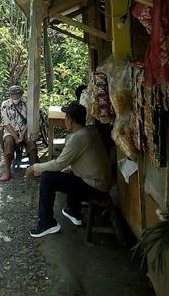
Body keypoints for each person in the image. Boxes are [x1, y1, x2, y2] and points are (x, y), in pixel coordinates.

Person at [26, 101, 112, 238]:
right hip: (99, 182)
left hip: (96, 187)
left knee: (48, 178)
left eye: (66, 117)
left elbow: (58, 164)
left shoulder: (79, 138)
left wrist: (34, 167)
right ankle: (74, 212)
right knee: (67, 173)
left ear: (70, 120)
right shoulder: (88, 132)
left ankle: (47, 223)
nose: (65, 120)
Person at [0, 85, 38, 182]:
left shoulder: (26, 103)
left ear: (21, 94)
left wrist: (22, 134)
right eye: (13, 94)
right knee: (8, 143)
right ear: (10, 95)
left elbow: (30, 120)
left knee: (31, 142)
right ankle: (7, 170)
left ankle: (33, 168)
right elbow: (6, 123)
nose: (16, 96)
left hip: (24, 130)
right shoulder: (5, 104)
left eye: (18, 94)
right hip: (10, 131)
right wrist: (16, 137)